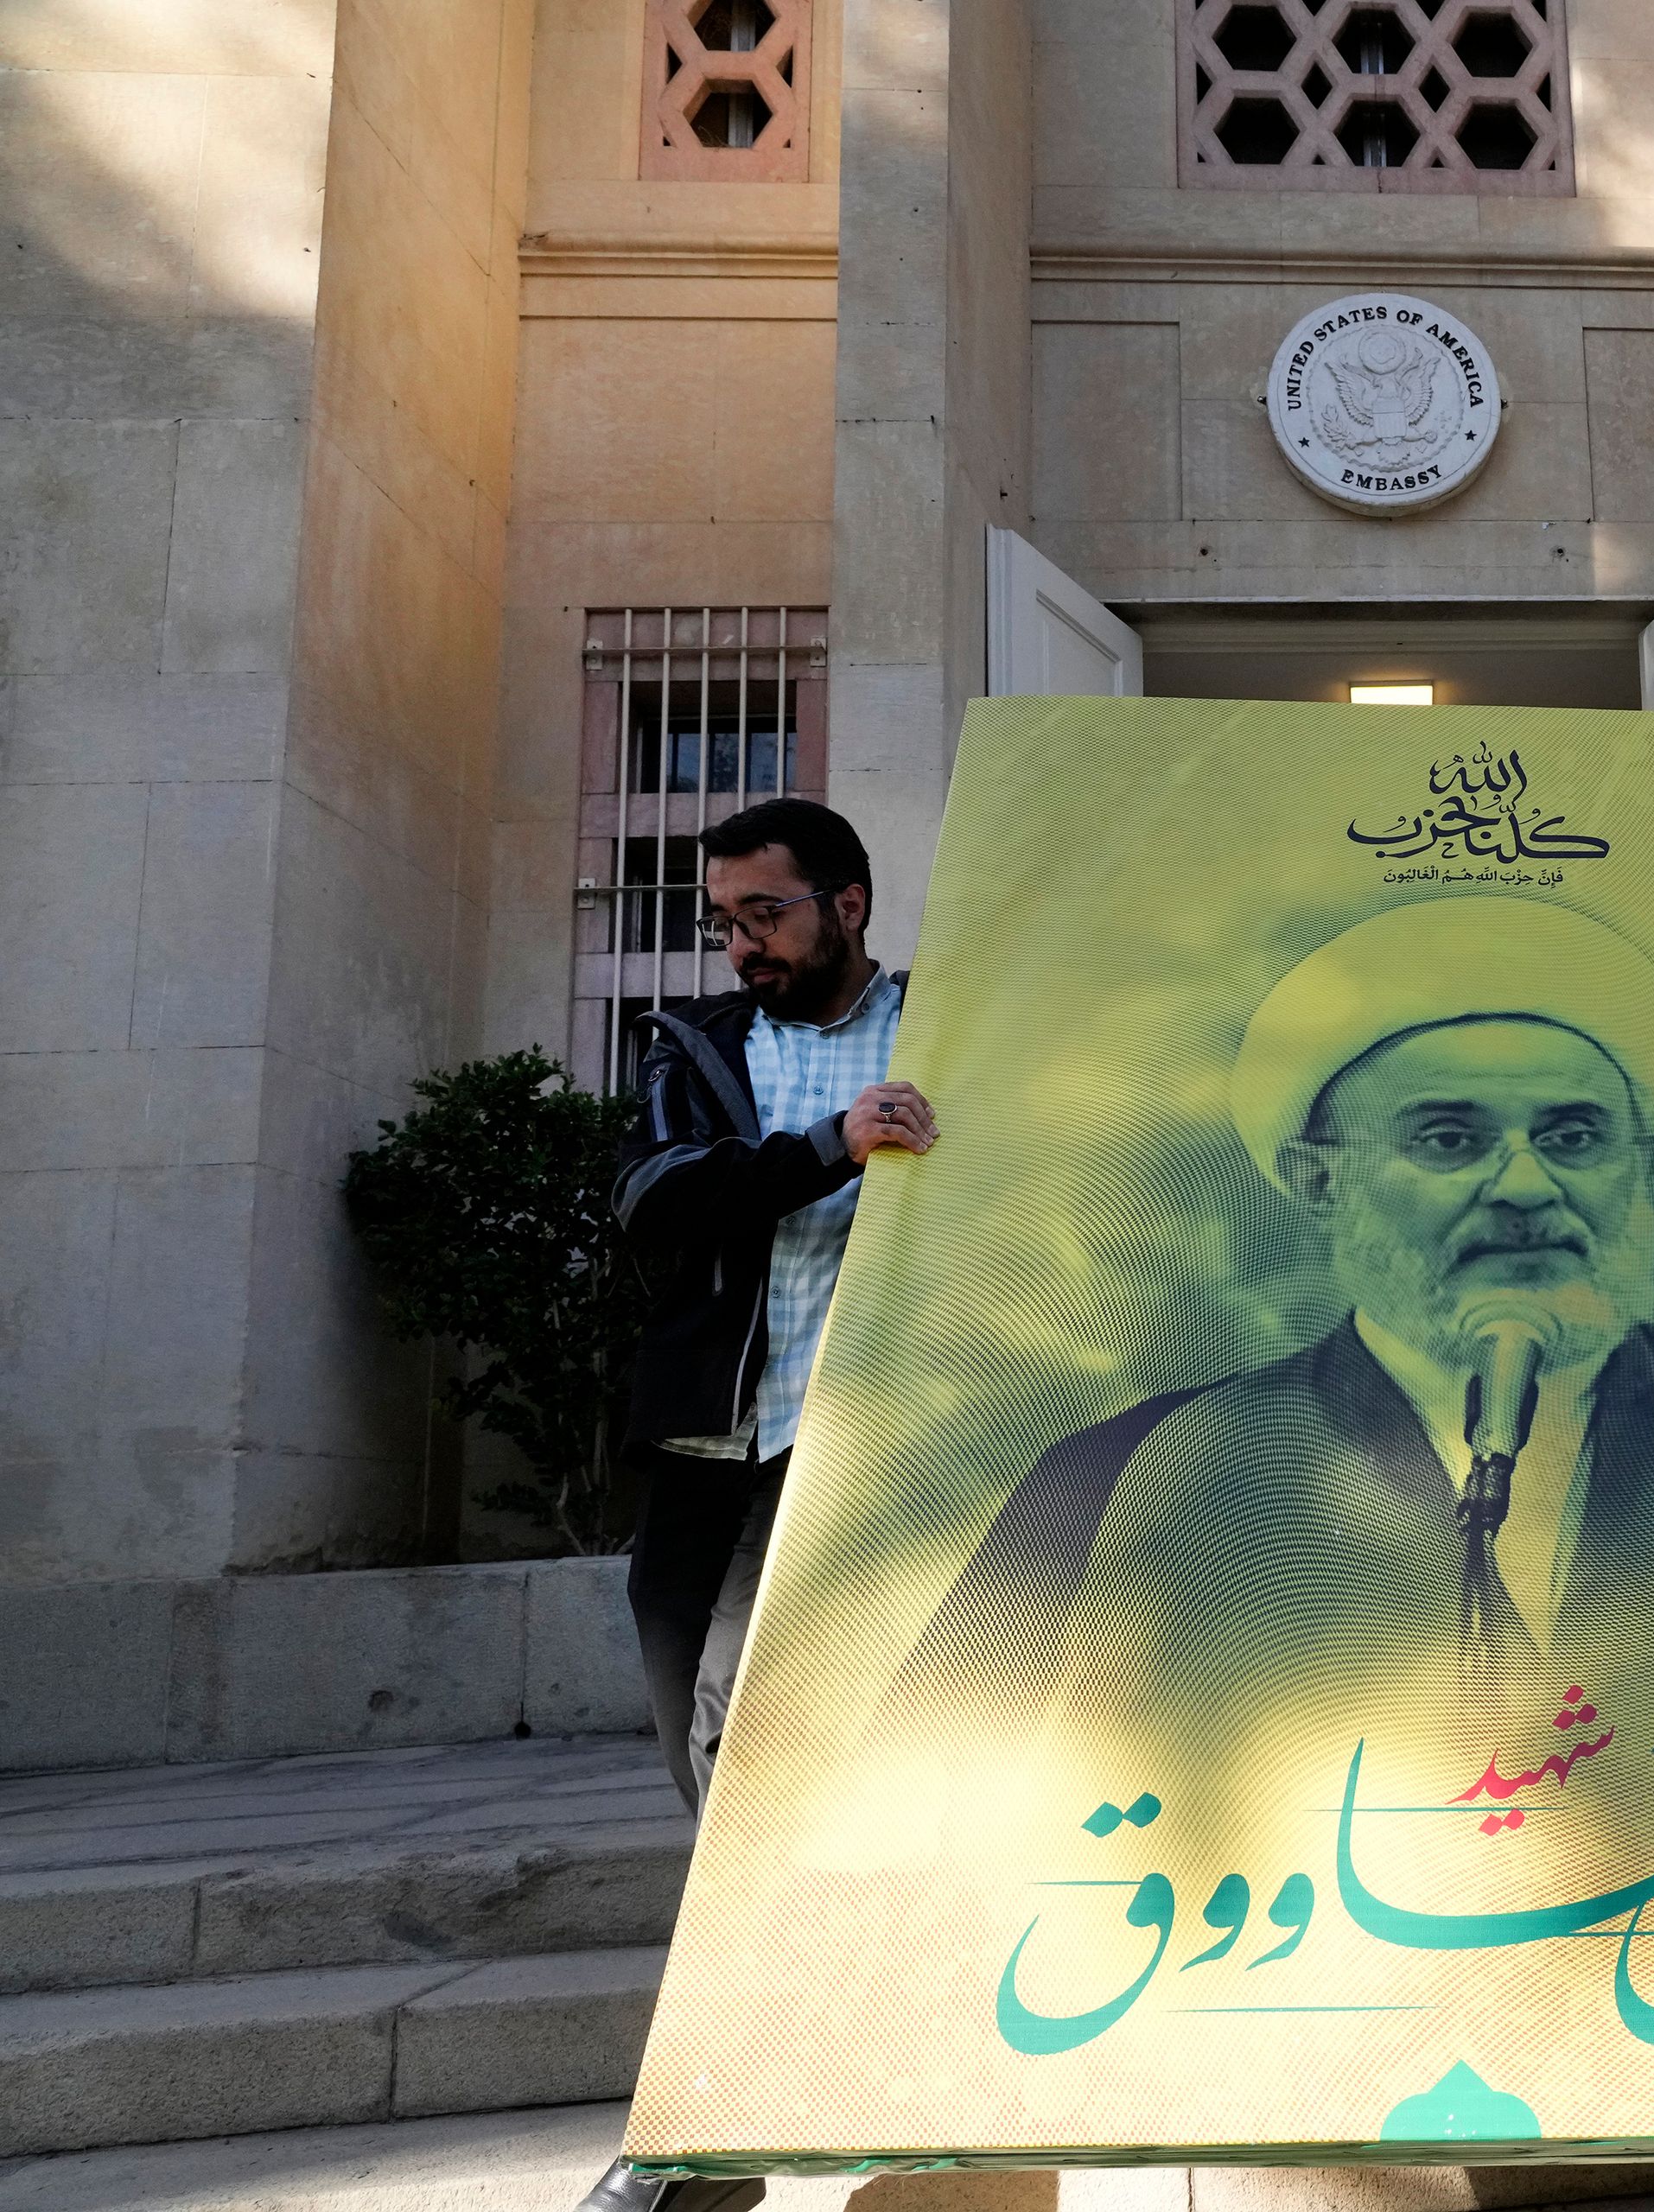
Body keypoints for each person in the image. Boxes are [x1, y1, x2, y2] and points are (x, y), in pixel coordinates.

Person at [869, 896, 1654, 1758]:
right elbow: (916, 1822)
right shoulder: (1119, 1481)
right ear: (1322, 1184)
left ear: (1641, 1170)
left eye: (1570, 1139)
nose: (1523, 1189)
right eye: (1450, 1141)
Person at [577, 798, 934, 2212]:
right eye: (724, 920)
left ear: (847, 903)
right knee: (702, 1757)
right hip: (706, 1451)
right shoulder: (696, 1051)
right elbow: (654, 1198)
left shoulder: (948, 1024)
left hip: (872, 1463)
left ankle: (715, 2127)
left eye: (765, 914)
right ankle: (796, 2067)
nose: (740, 944)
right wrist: (826, 1151)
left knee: (758, 1769)